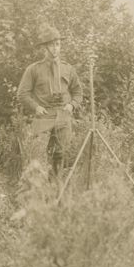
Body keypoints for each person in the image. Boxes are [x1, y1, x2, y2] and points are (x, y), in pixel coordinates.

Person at [17, 23, 84, 175]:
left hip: (63, 117)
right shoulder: (34, 69)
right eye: (52, 45)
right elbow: (22, 94)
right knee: (38, 158)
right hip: (43, 118)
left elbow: (78, 92)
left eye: (58, 44)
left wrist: (72, 106)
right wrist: (36, 108)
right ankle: (39, 193)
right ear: (44, 48)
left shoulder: (68, 68)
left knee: (62, 156)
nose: (56, 48)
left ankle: (58, 191)